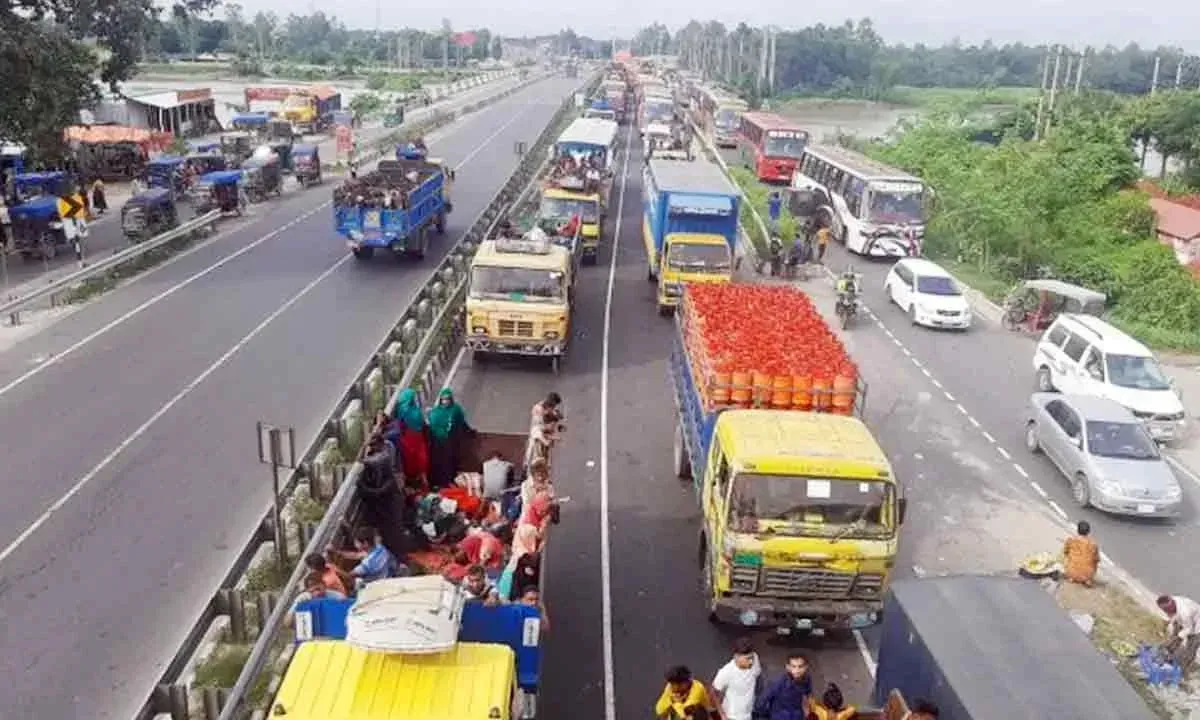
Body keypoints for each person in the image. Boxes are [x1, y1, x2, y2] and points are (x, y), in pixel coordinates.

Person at [428, 388, 473, 489]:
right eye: (443, 399)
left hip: (450, 441)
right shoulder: (436, 411)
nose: (445, 401)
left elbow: (462, 422)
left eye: (447, 399)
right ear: (440, 400)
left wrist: (469, 431)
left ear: (451, 399)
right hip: (437, 442)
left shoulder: (455, 409)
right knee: (438, 461)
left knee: (449, 462)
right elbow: (431, 425)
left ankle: (448, 482)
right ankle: (437, 483)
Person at [331, 526, 402, 588]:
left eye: (357, 542)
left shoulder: (366, 565)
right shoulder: (380, 548)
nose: (355, 544)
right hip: (387, 577)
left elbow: (348, 576)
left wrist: (335, 568)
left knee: (355, 583)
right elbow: (356, 555)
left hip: (376, 585)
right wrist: (335, 551)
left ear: (365, 543)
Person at [711, 637, 762, 720]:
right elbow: (713, 692)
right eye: (747, 658)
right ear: (736, 657)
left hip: (750, 713)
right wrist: (722, 714)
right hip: (733, 716)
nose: (751, 662)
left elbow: (757, 674)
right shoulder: (726, 672)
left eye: (751, 657)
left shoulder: (755, 658)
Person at [755, 653, 813, 720]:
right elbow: (761, 701)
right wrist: (764, 715)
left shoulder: (807, 679)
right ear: (787, 667)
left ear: (806, 667)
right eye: (793, 666)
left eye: (800, 666)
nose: (797, 670)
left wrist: (806, 711)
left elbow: (807, 694)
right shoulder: (778, 682)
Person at [392, 388, 430, 489]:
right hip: (417, 438)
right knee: (421, 459)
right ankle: (423, 479)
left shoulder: (401, 410)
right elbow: (422, 424)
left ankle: (413, 481)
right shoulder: (415, 411)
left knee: (409, 460)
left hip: (407, 439)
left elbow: (399, 424)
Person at [1157, 594, 1200, 672]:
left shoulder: (1184, 612)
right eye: (1164, 610)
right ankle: (1168, 656)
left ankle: (1181, 670)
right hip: (1183, 620)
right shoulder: (1171, 601)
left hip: (1196, 625)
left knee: (1190, 648)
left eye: (1167, 610)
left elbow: (1189, 629)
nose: (1165, 612)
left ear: (1172, 606)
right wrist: (1167, 625)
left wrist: (1178, 637)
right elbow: (1171, 617)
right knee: (1173, 639)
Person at [1062, 520, 1099, 586]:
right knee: (1094, 561)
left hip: (1071, 572)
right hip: (1088, 575)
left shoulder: (1070, 540)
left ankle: (1072, 576)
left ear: (1077, 530)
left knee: (1066, 555)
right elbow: (1096, 560)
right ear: (1088, 532)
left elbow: (1065, 552)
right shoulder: (1093, 545)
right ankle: (1087, 579)